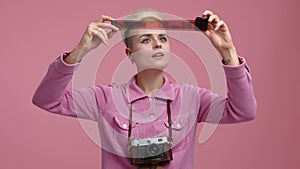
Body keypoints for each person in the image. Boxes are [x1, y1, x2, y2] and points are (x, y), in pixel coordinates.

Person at [32, 8, 256, 169]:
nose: (158, 44)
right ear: (130, 54)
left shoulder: (191, 97)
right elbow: (47, 100)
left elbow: (243, 111)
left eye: (162, 38)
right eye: (146, 39)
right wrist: (78, 52)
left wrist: (229, 53)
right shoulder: (106, 98)